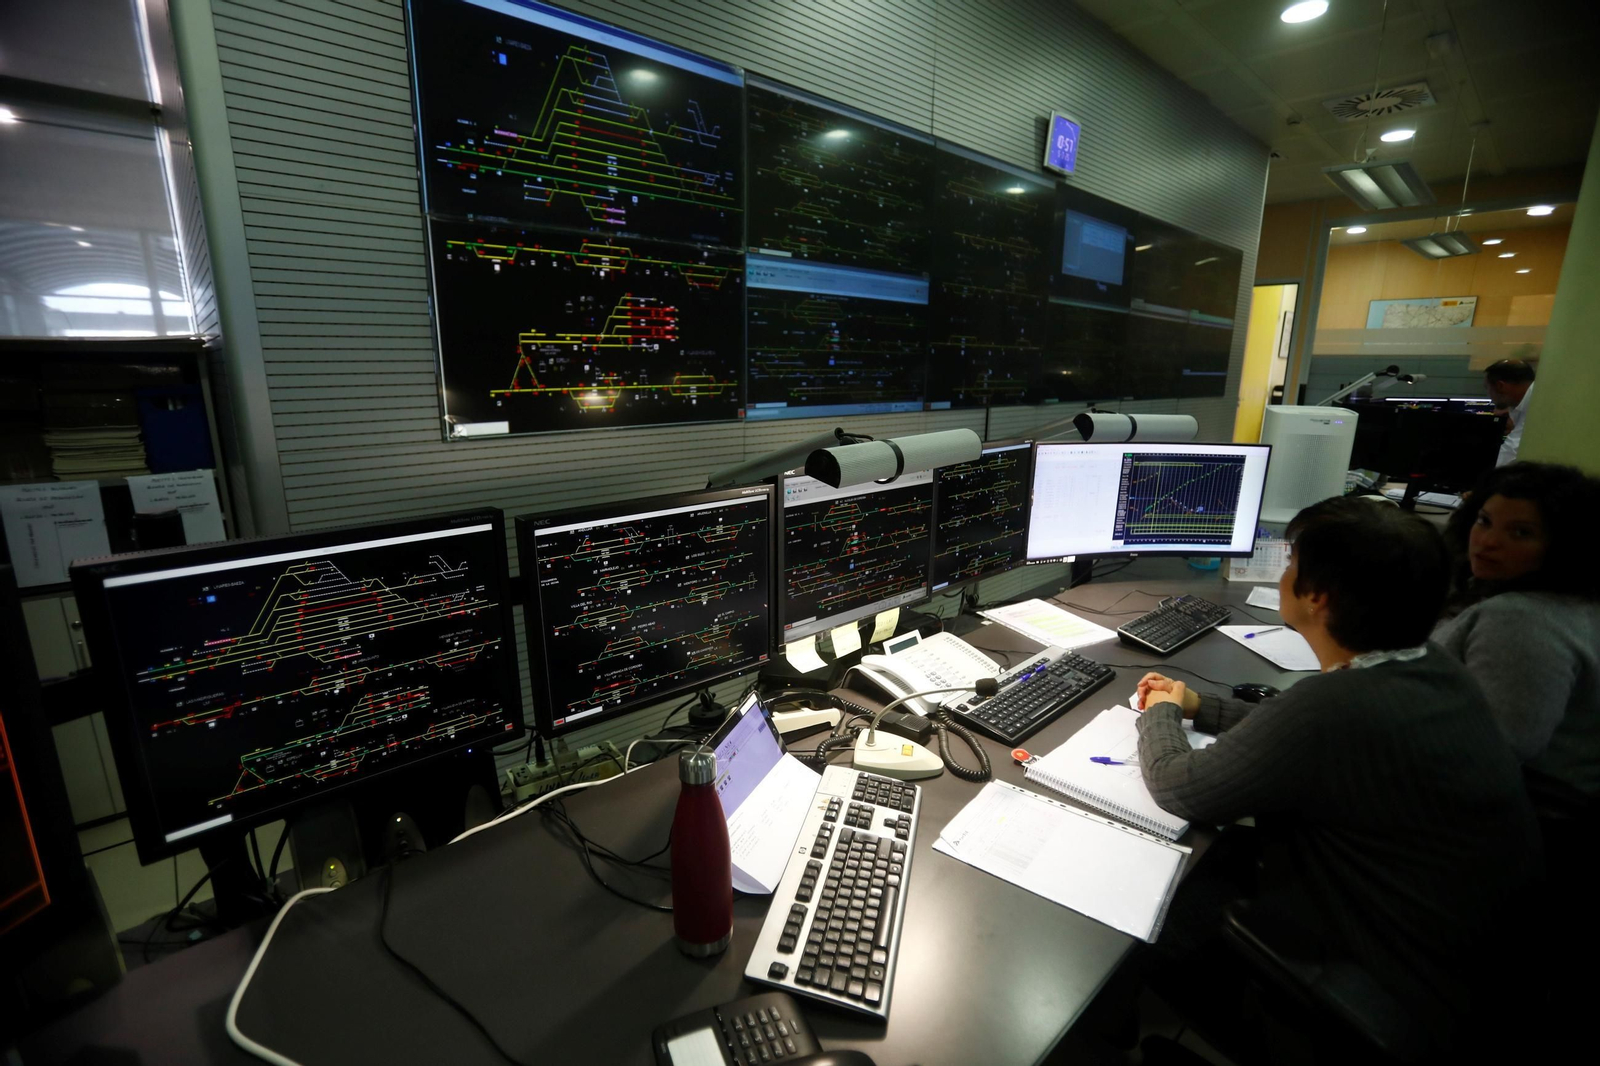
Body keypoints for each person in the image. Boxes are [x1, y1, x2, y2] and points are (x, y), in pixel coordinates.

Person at [1133, 497, 1538, 1048]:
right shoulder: (1429, 667)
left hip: (1382, 968)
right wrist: (1199, 705)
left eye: (1292, 562)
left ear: (1317, 598)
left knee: (1143, 908)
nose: (1283, 574)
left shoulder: (1333, 707)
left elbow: (1179, 786)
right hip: (1458, 952)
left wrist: (1157, 711)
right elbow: (1295, 729)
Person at [1433, 461, 1600, 815]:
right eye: (1484, 521)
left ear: (1563, 546)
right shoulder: (1574, 602)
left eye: (1521, 533)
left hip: (1499, 822)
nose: (1489, 542)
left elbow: (1494, 750)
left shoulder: (1520, 619)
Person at [1484, 357, 1536, 466]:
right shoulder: (1521, 403)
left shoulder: (1536, 403)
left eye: (1487, 388)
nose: (1489, 395)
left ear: (1500, 386)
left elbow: (1511, 452)